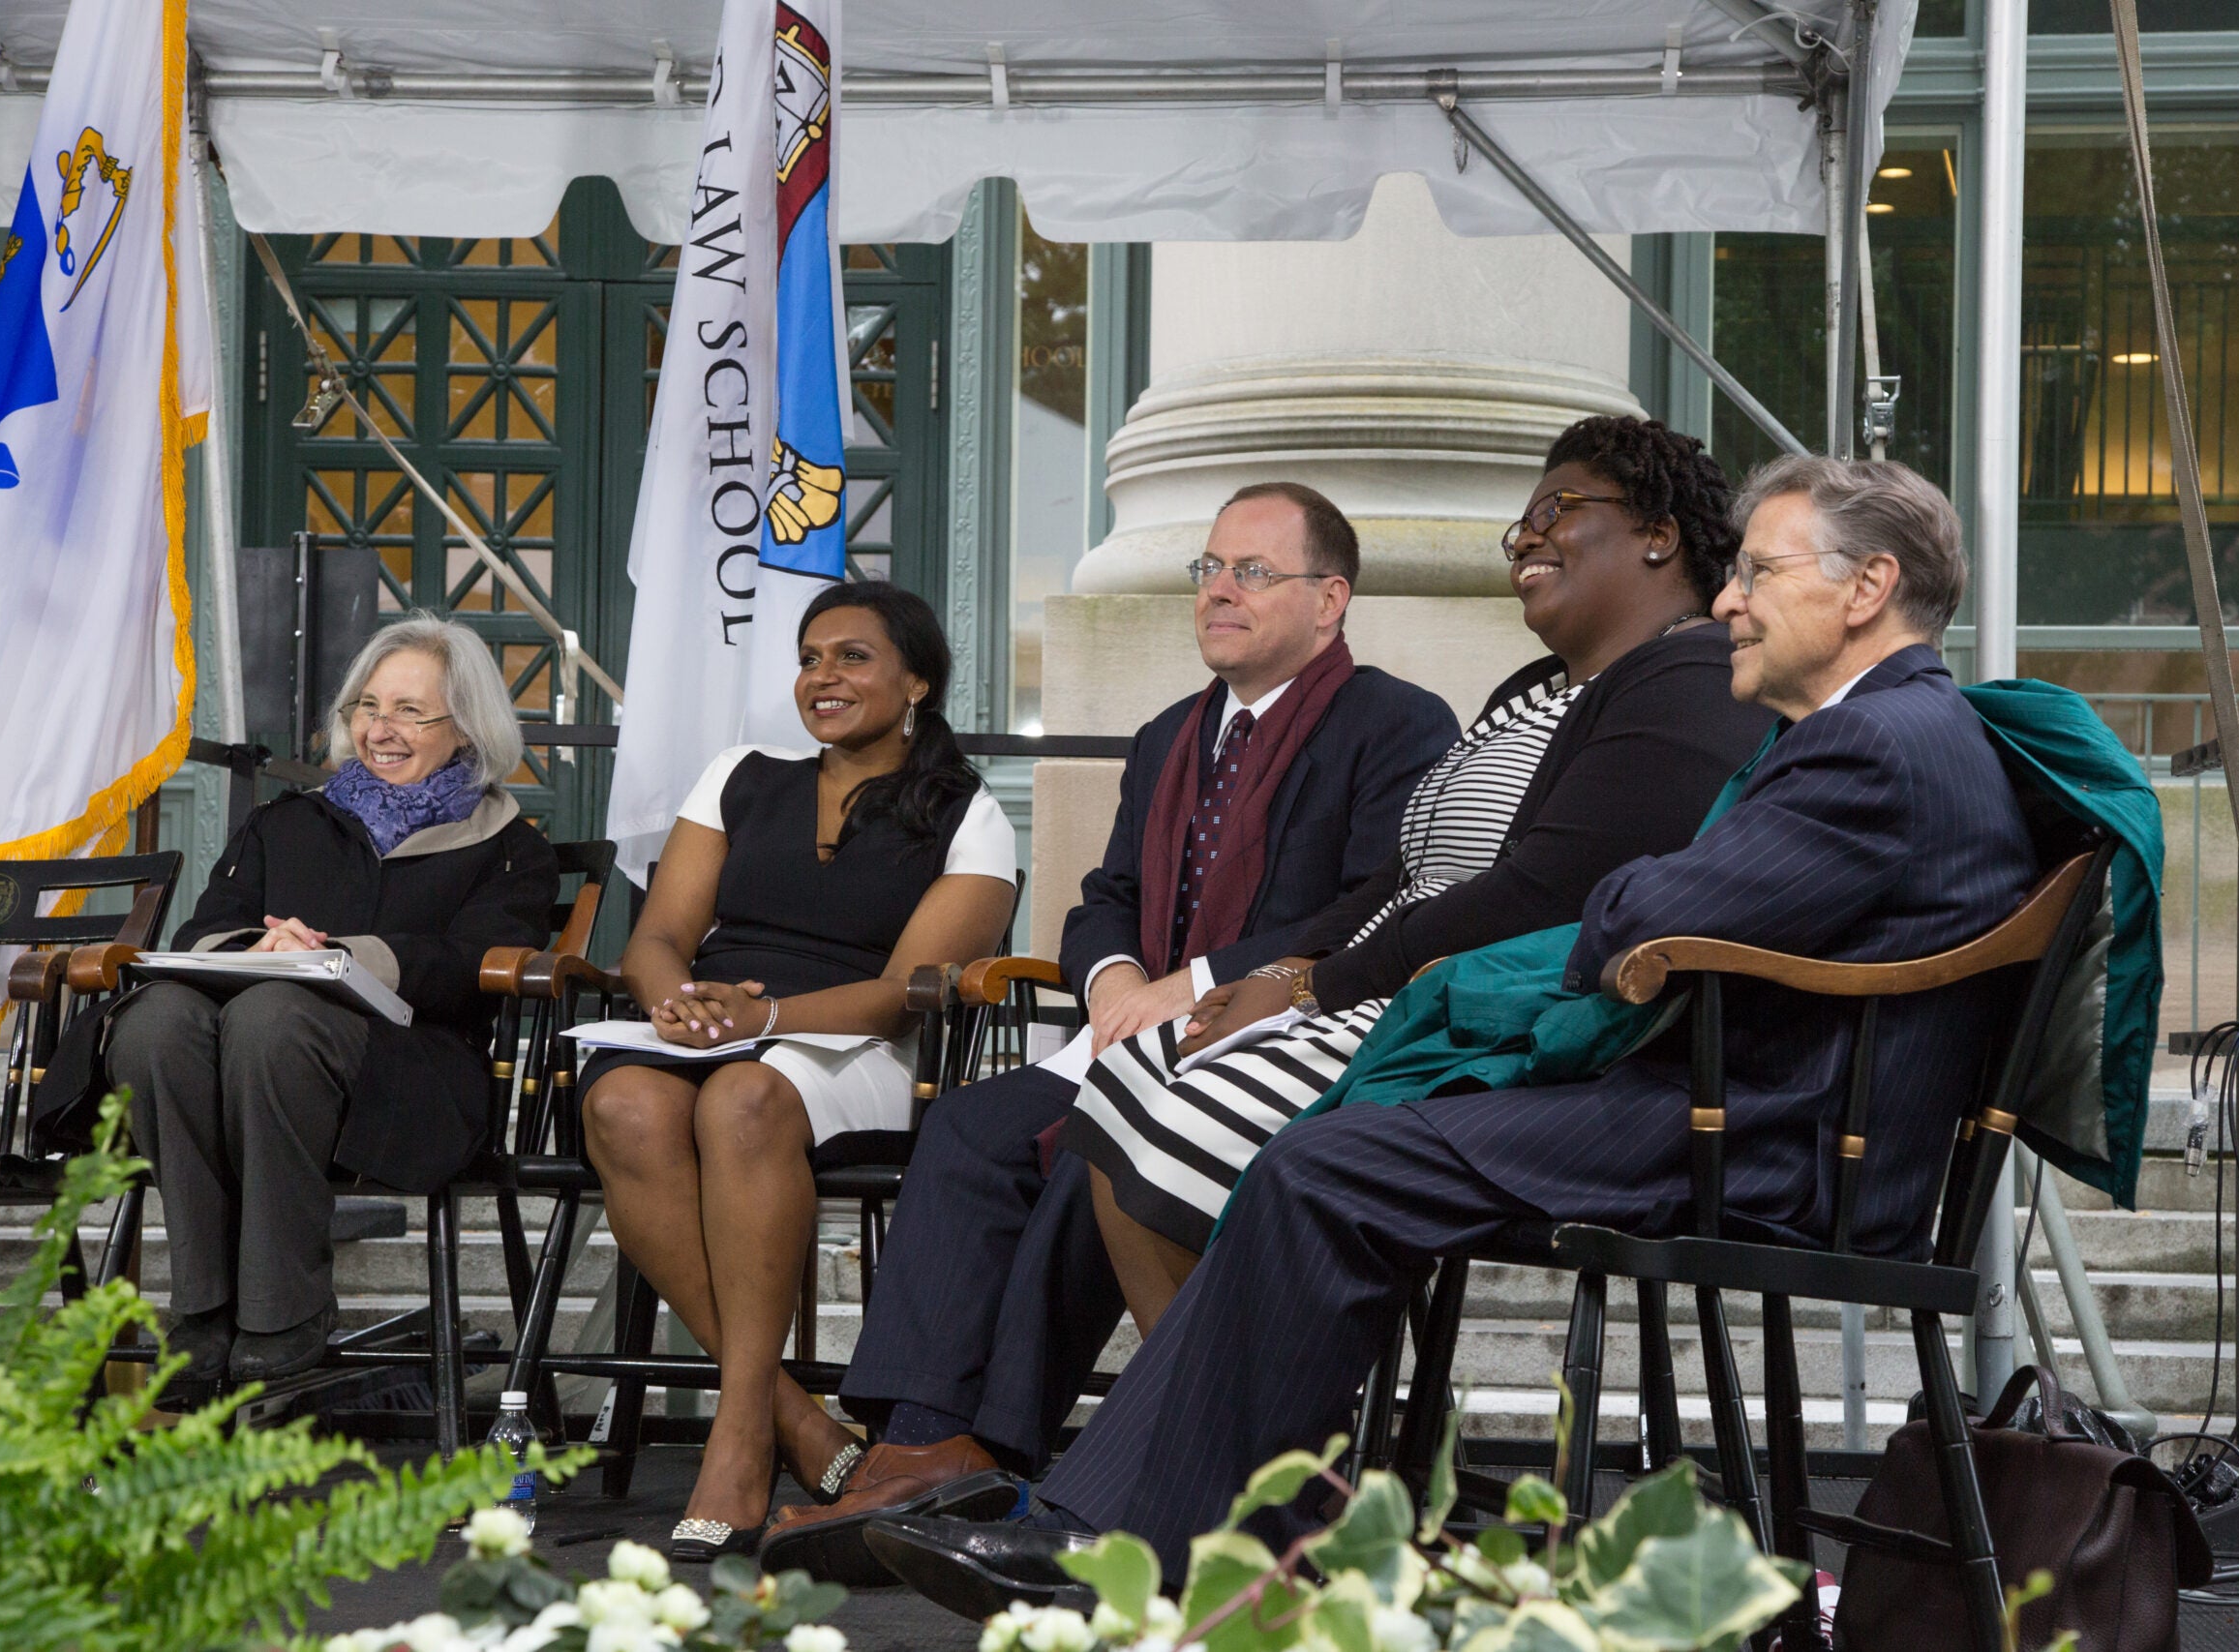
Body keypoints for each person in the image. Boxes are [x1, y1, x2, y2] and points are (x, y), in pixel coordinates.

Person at [862, 457, 2048, 1607]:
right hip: (1749, 1100)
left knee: (1330, 1158)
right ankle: (1198, 1528)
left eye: (1759, 573)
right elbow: (1651, 902)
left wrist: (1622, 907)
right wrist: (1625, 908)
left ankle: (1141, 1540)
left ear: (1866, 587)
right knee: (1327, 1150)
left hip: (1763, 1132)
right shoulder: (1884, 732)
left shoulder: (1872, 743)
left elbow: (1636, 912)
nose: (1730, 599)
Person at [757, 482, 1459, 1581]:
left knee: (1100, 1138)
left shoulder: (1396, 722)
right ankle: (921, 1441)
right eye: (1209, 570)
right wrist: (1119, 974)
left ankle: (997, 1457)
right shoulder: (1170, 734)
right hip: (1138, 1028)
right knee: (976, 1129)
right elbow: (1105, 893)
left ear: (1330, 601)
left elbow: (1378, 900)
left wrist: (1195, 983)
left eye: (1252, 573)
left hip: (1281, 1043)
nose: (1218, 590)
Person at [1061, 415, 1774, 1336]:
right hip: (1381, 984)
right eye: (1518, 525)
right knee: (1121, 1087)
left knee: (1179, 1119)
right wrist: (1280, 973)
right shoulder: (1533, 690)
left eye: (1555, 510)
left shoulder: (1687, 678)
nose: (1526, 538)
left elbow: (1541, 896)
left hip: (1481, 1022)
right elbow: (1397, 879)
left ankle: (1240, 1444)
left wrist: (1317, 984)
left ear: (1659, 534)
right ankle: (1230, 1440)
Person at [576, 583, 1019, 1562]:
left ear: (917, 681)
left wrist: (766, 1018)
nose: (822, 677)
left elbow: (909, 988)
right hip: (713, 1027)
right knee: (624, 1104)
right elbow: (659, 936)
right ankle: (797, 1424)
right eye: (810, 657)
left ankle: (738, 1442)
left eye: (852, 657)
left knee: (744, 1098)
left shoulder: (966, 812)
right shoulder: (740, 775)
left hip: (854, 1049)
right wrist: (672, 1002)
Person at [86, 614, 555, 1387]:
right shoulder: (286, 823)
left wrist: (344, 958)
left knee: (276, 1019)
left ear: (467, 729)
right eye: (367, 706)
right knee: (157, 1022)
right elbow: (208, 928)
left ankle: (284, 1309)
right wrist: (258, 949)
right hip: (247, 1059)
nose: (381, 728)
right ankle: (204, 1306)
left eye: (410, 709)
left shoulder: (510, 846)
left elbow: (473, 964)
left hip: (413, 1082)